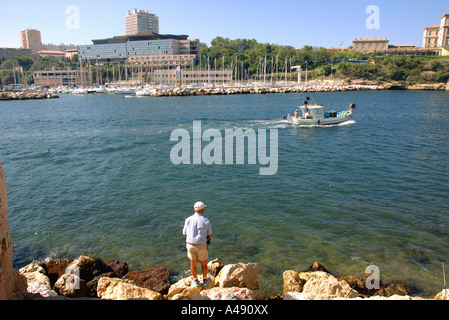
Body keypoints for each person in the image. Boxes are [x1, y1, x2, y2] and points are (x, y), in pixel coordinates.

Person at [182, 201, 213, 287]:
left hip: (190, 244)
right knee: (203, 263)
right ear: (202, 210)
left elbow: (184, 233)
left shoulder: (188, 219)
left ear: (194, 209)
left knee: (193, 263)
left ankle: (195, 280)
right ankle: (205, 279)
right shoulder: (206, 220)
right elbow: (210, 234)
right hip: (201, 245)